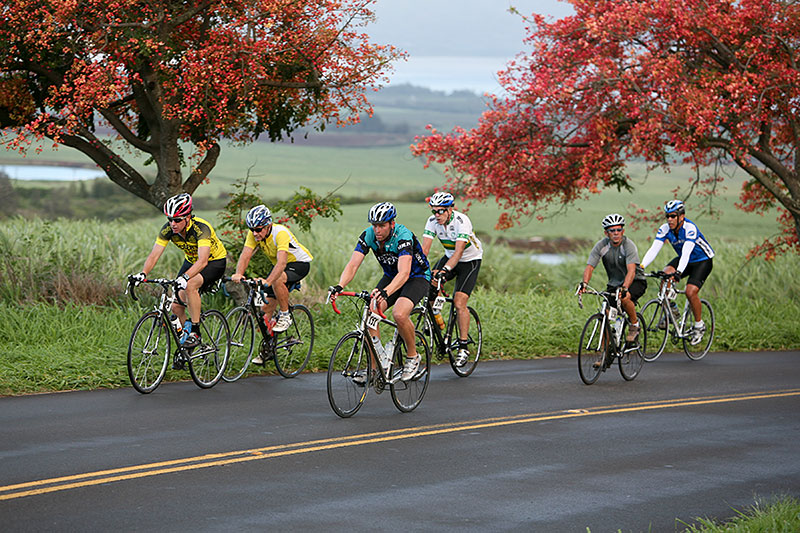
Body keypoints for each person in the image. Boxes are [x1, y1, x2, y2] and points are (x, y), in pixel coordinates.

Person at [329, 202, 431, 382]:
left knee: (399, 314)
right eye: (374, 225)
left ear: (392, 224)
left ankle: (412, 356)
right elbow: (353, 264)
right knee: (371, 312)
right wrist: (340, 285)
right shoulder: (368, 235)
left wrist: (386, 292)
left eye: (381, 225)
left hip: (417, 277)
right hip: (392, 276)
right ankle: (376, 369)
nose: (377, 229)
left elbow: (405, 272)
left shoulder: (403, 236)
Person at [131, 193, 227, 347]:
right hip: (191, 262)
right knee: (176, 306)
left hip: (213, 262)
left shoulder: (201, 228)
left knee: (190, 285)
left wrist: (185, 277)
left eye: (177, 220)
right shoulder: (168, 230)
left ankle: (195, 331)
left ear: (188, 217)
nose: (172, 224)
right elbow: (154, 255)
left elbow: (202, 261)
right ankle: (186, 344)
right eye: (169, 219)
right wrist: (143, 274)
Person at [231, 205, 313, 364]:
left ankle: (285, 315)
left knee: (277, 279)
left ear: (268, 225)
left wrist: (268, 281)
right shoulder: (254, 235)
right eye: (252, 229)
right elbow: (245, 255)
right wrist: (239, 273)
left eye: (259, 229)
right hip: (280, 268)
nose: (255, 233)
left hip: (299, 264)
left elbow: (282, 263)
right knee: (265, 311)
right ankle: (269, 348)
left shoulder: (280, 233)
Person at [420, 191, 483, 366]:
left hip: (469, 261)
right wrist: (420, 269)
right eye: (434, 211)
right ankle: (436, 320)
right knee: (430, 284)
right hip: (449, 256)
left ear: (450, 210)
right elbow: (425, 249)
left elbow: (459, 252)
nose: (437, 215)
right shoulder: (432, 221)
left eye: (441, 211)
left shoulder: (462, 221)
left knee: (459, 302)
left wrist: (445, 270)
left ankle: (463, 347)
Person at [640, 200, 715, 345]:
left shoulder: (690, 228)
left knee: (690, 292)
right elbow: (654, 249)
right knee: (664, 275)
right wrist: (642, 266)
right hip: (684, 260)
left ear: (681, 216)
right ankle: (672, 310)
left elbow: (687, 252)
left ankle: (699, 325)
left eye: (673, 216)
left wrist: (679, 272)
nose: (669, 219)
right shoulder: (665, 228)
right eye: (667, 216)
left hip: (702, 261)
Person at [578, 213, 647, 343]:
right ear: (606, 233)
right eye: (612, 230)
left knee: (625, 298)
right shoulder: (601, 246)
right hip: (614, 283)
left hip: (635, 281)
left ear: (623, 231)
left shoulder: (628, 246)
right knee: (606, 315)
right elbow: (590, 267)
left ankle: (634, 325)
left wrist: (625, 288)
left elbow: (631, 271)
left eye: (618, 230)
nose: (616, 233)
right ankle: (604, 354)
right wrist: (584, 284)